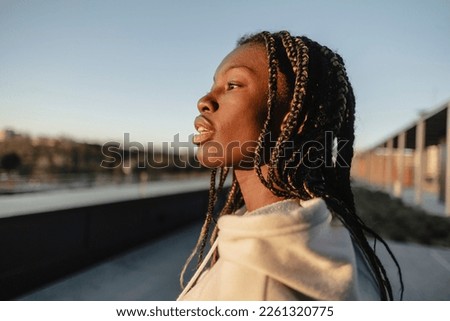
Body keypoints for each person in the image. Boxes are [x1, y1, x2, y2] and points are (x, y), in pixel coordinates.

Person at [177, 30, 403, 301]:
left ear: (295, 116)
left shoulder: (261, 285)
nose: (204, 101)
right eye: (214, 84)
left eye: (233, 84)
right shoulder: (326, 230)